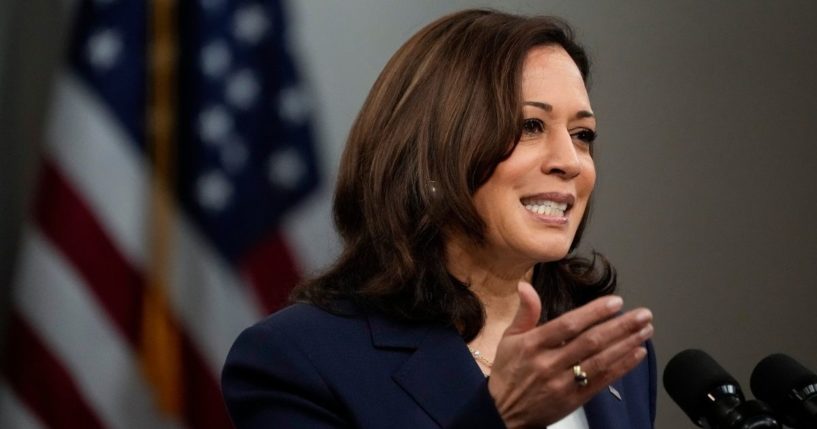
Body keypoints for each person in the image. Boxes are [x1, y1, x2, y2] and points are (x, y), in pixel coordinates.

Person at [222, 9, 655, 429]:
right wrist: (499, 418)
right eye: (530, 126)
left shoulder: (610, 351)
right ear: (431, 157)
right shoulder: (298, 359)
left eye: (582, 135)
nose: (570, 162)